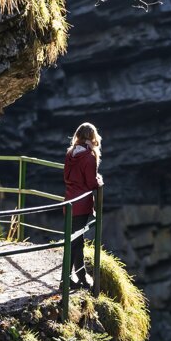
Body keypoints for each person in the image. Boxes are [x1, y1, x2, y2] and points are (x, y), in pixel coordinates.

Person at [63, 122, 103, 288]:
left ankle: (79, 277)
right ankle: (67, 279)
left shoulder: (70, 153)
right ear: (92, 138)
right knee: (76, 242)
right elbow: (91, 183)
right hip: (82, 203)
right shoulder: (89, 157)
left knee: (75, 240)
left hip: (69, 201)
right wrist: (99, 181)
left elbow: (67, 177)